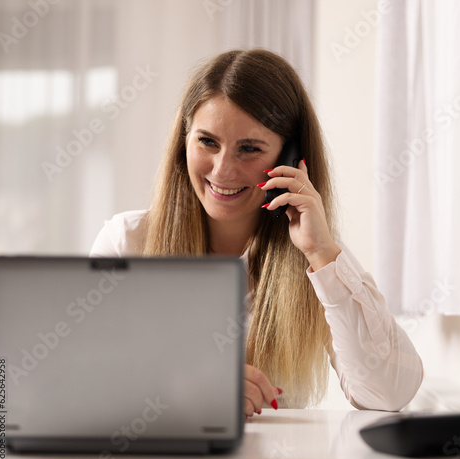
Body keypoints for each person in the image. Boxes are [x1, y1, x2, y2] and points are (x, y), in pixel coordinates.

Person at [90, 48, 423, 416]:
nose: (221, 170)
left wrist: (321, 255)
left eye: (249, 149)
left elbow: (390, 392)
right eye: (207, 142)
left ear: (290, 158)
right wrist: (185, 386)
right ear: (183, 141)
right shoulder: (127, 242)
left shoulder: (318, 256)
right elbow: (79, 381)